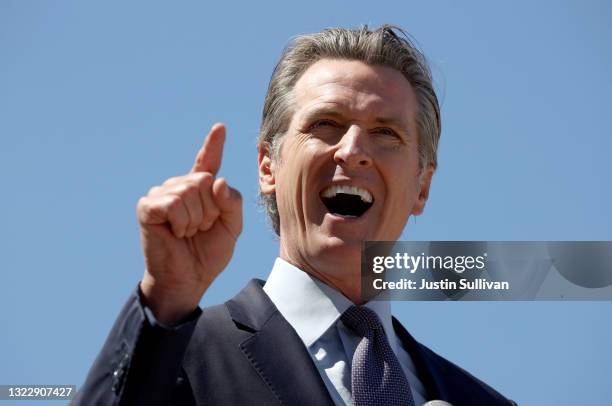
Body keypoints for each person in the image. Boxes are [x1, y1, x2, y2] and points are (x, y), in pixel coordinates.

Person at [73, 25, 516, 406]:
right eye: (325, 124)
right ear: (269, 166)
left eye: (385, 132)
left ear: (422, 187)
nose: (353, 150)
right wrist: (166, 297)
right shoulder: (178, 355)